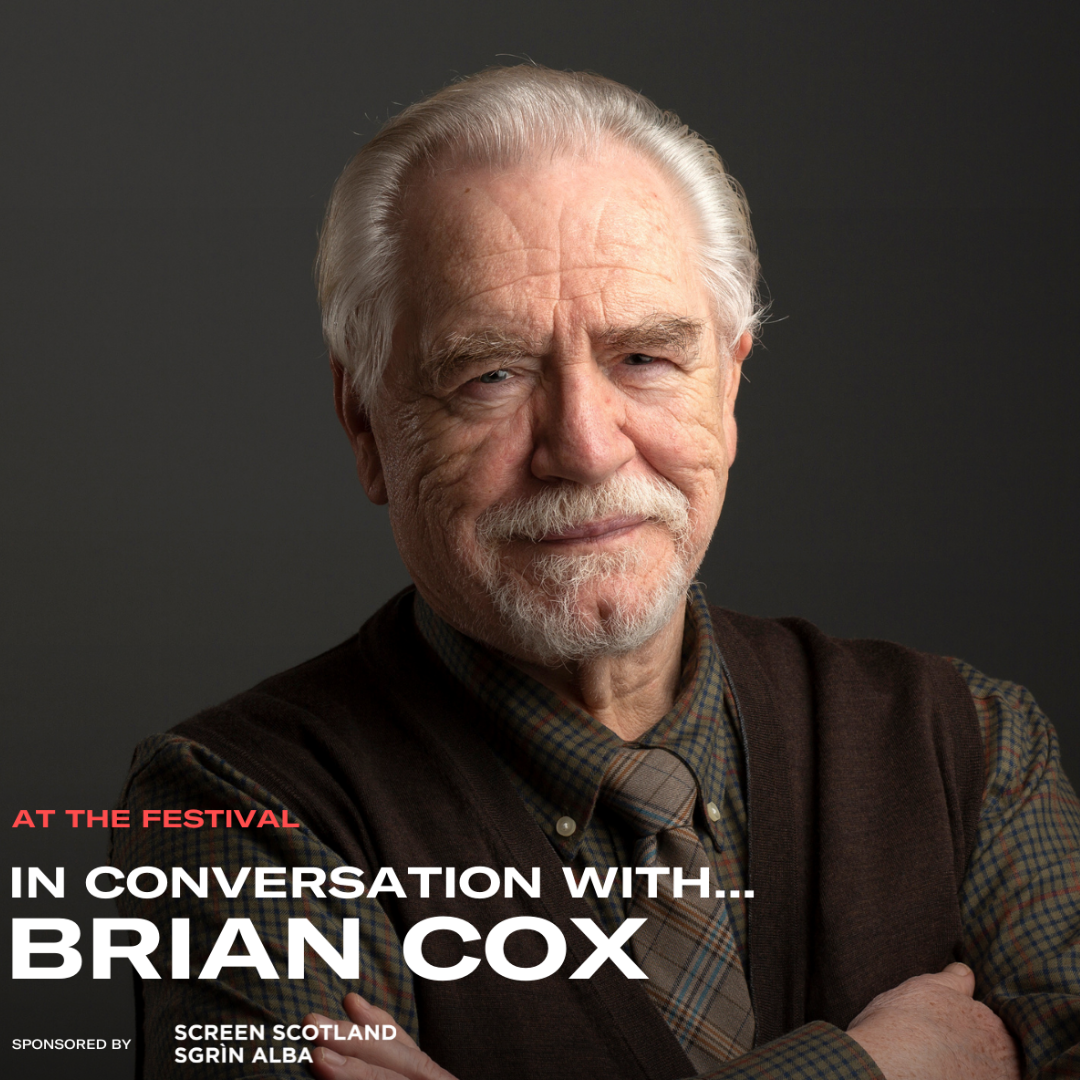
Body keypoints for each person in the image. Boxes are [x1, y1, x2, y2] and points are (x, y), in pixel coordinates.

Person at [112, 65, 1080, 1079]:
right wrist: (873, 1067)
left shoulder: (968, 747)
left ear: (731, 384)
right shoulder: (236, 808)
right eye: (490, 374)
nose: (583, 446)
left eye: (645, 360)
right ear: (365, 425)